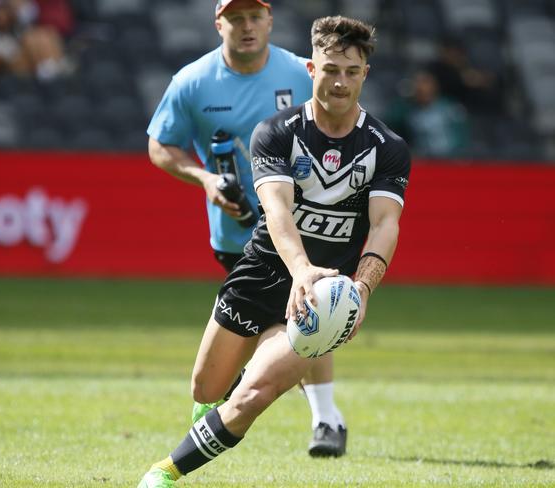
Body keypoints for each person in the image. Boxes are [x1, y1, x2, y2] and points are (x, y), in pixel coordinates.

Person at [138, 14, 411, 488]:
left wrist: (362, 287)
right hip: (260, 274)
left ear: (366, 73)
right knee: (207, 388)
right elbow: (278, 213)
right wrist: (300, 268)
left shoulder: (387, 147)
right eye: (330, 69)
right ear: (311, 70)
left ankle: (163, 474)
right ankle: (251, 374)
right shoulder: (276, 132)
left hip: (320, 296)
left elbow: (386, 223)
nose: (340, 82)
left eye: (351, 71)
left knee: (254, 391)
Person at [147, 0, 346, 458]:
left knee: (313, 307)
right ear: (219, 23)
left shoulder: (303, 72)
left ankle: (327, 419)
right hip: (237, 232)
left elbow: (341, 125)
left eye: (255, 16)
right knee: (269, 334)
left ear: (271, 21)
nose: (247, 26)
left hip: (301, 229)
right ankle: (250, 394)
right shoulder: (193, 82)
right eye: (236, 18)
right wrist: (205, 178)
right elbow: (160, 144)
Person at [384, 68, 469, 158]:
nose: (421, 87)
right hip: (422, 160)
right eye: (417, 83)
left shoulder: (449, 107)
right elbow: (391, 126)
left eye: (425, 82)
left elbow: (462, 136)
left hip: (451, 159)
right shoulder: (407, 110)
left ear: (435, 86)